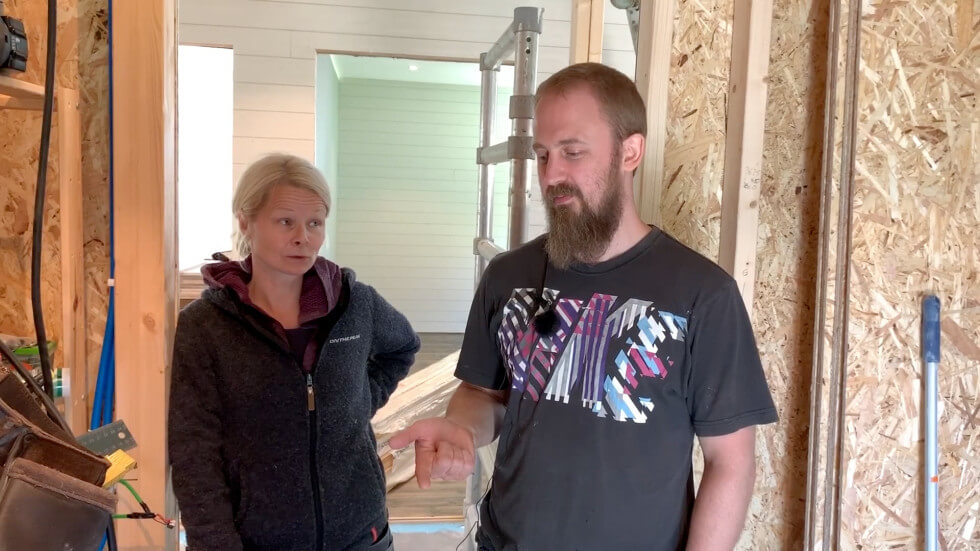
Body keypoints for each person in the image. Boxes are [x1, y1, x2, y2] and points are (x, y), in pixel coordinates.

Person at [390, 63, 778, 551]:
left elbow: (730, 463)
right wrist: (461, 428)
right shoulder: (507, 277)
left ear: (629, 152)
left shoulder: (703, 294)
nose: (552, 175)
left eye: (572, 152)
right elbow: (483, 394)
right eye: (543, 155)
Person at [169, 153, 420, 551]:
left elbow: (402, 347)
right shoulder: (205, 326)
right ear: (245, 222)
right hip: (259, 541)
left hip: (361, 536)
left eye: (314, 223)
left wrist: (358, 402)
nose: (303, 237)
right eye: (285, 222)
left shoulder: (355, 304)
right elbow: (193, 451)